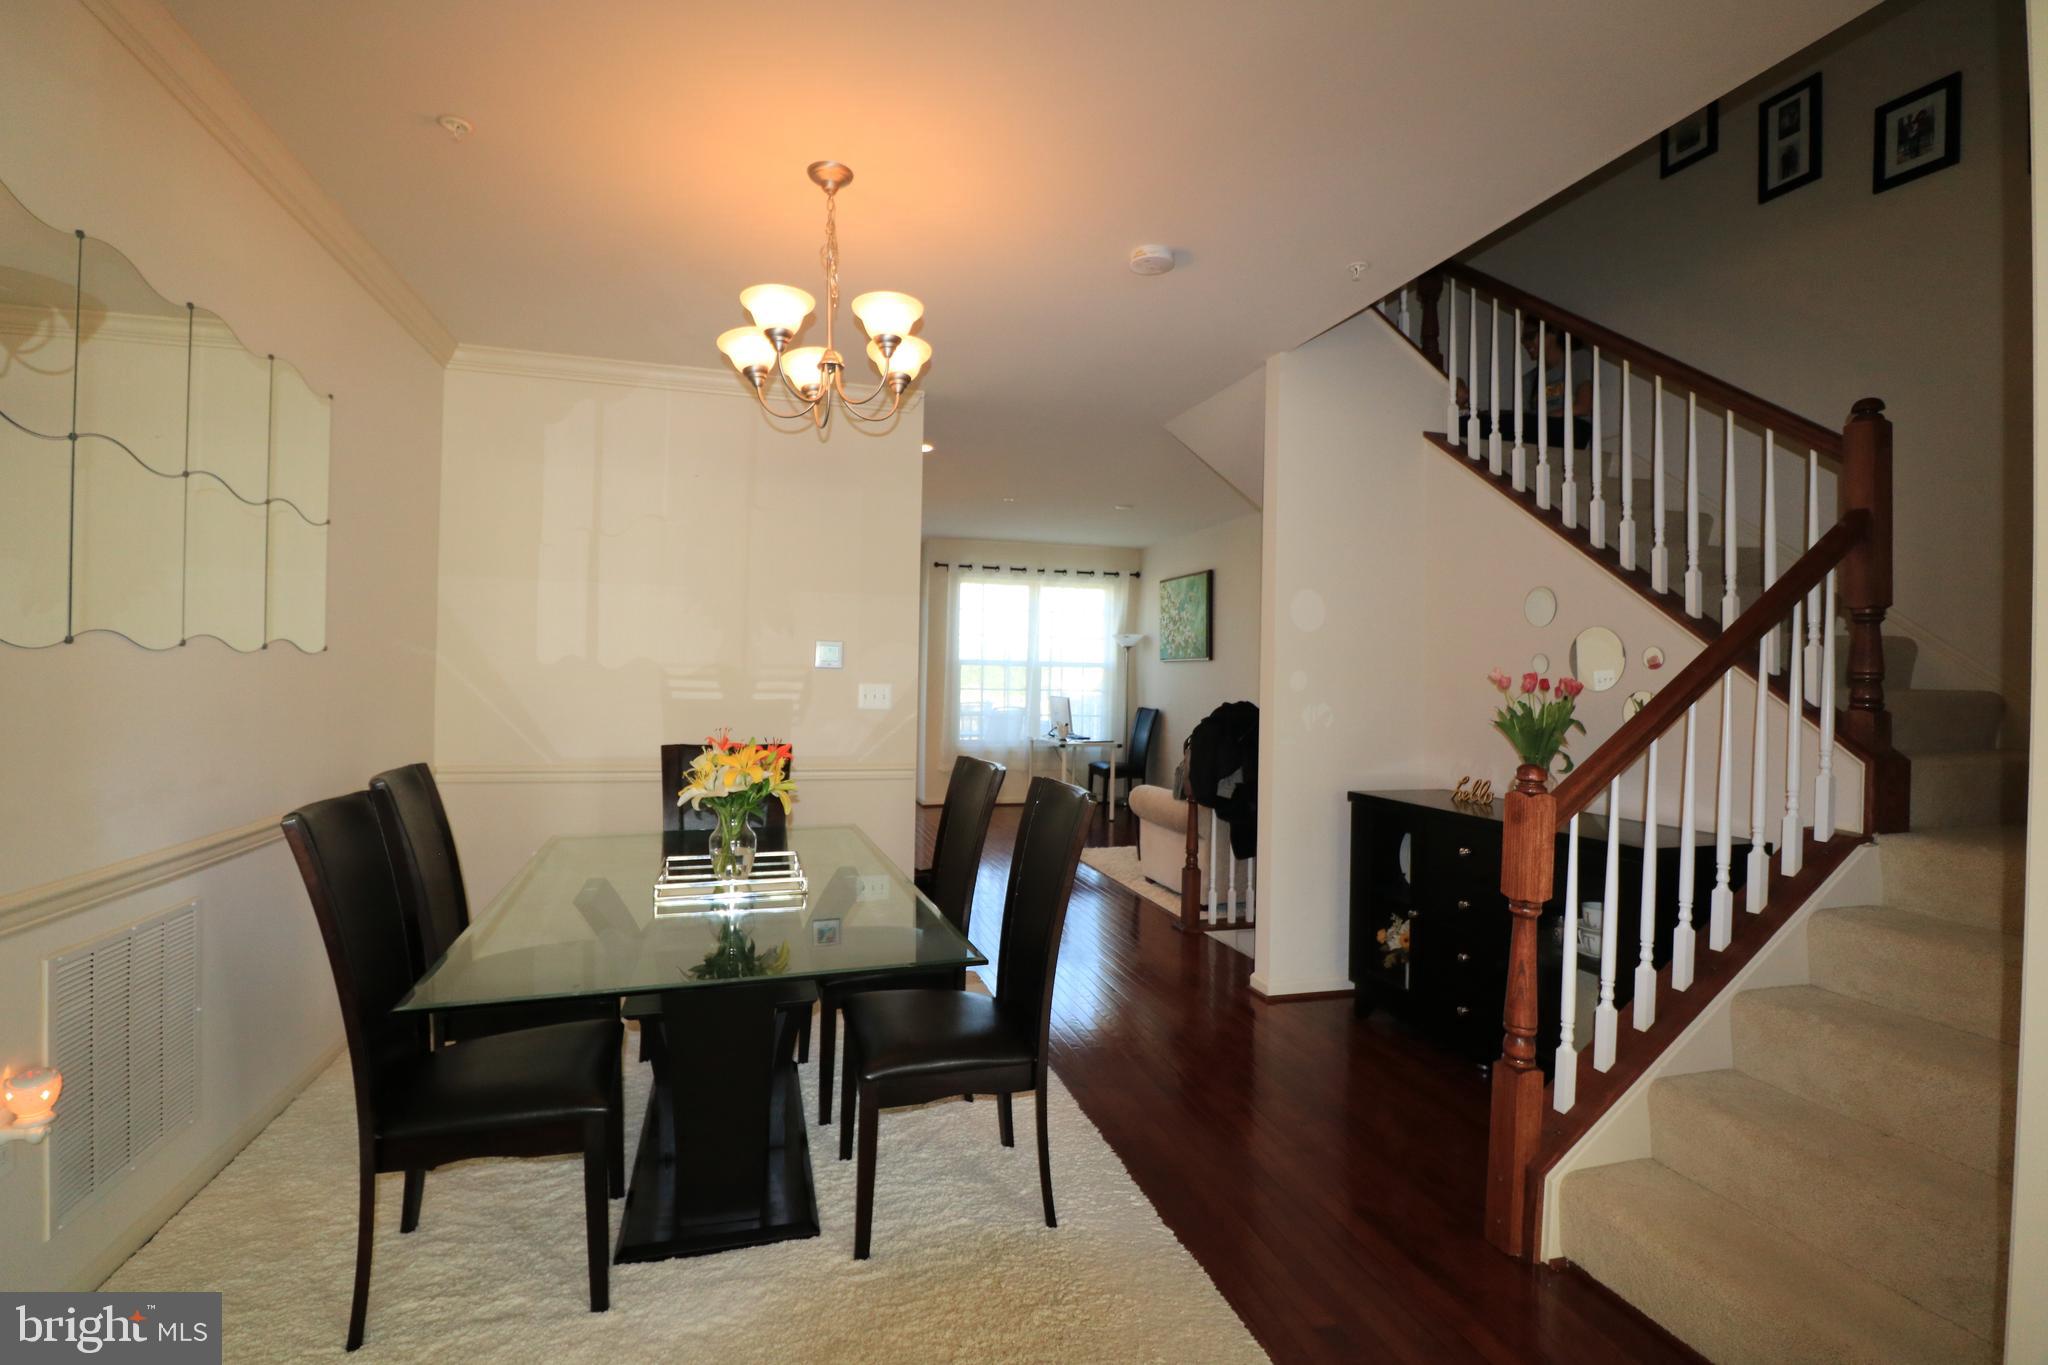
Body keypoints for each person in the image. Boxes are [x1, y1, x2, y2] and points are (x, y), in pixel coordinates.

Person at [1456, 316, 1592, 450]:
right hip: (1542, 430)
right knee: (1493, 421)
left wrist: (1547, 417)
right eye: (1523, 339)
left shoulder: (1577, 359)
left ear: (1553, 333)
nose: (1525, 344)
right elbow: (1525, 420)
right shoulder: (1530, 379)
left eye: (1530, 336)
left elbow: (1583, 406)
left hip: (1572, 428)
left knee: (1505, 422)